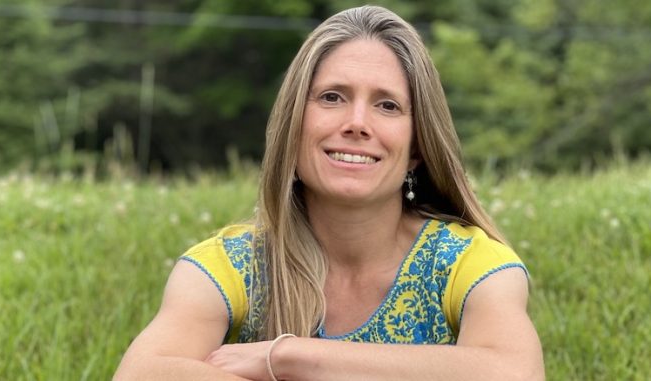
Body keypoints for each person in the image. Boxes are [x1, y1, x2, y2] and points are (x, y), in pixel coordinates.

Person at [115, 5, 544, 380]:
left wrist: (289, 358)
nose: (357, 122)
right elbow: (140, 374)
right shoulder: (230, 266)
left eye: (387, 105)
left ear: (417, 146)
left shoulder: (470, 264)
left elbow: (515, 373)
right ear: (294, 129)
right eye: (333, 97)